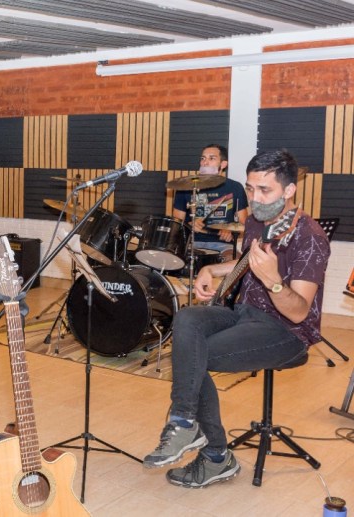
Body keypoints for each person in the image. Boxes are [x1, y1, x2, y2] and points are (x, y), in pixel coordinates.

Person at [143, 150, 330, 488]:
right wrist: (212, 269)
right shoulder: (257, 220)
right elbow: (246, 260)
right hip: (244, 313)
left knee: (194, 356)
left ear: (289, 190)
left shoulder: (309, 236)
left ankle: (215, 455)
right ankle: (185, 423)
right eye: (250, 189)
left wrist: (274, 281)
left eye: (265, 190)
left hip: (287, 331)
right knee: (187, 320)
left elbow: (300, 311)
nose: (255, 199)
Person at [172, 144, 249, 257]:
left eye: (211, 158)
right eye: (203, 158)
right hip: (191, 243)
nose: (205, 162)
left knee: (235, 263)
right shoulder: (186, 187)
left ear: (223, 164)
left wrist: (231, 232)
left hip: (223, 245)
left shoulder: (235, 187)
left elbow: (243, 223)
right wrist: (189, 226)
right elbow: (176, 224)